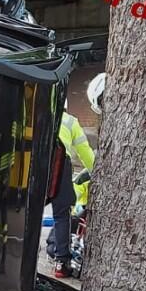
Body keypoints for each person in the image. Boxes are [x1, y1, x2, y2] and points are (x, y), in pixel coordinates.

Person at [47, 75, 99, 278]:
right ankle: (62, 263)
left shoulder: (38, 118)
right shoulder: (70, 121)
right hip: (60, 165)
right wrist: (96, 172)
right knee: (61, 216)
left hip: (35, 164)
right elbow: (85, 152)